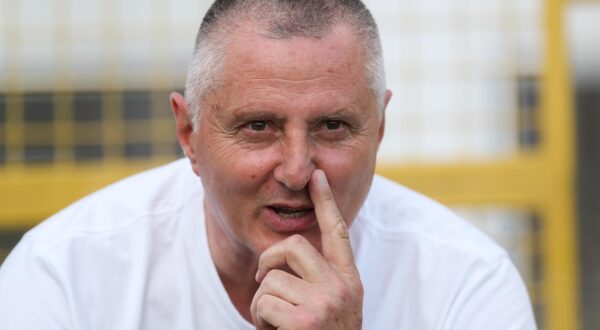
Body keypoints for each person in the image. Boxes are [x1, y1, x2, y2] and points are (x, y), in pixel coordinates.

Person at [0, 0, 536, 329]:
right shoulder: (66, 274)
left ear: (380, 130)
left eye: (333, 126)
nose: (297, 170)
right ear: (189, 134)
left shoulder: (463, 281)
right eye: (258, 126)